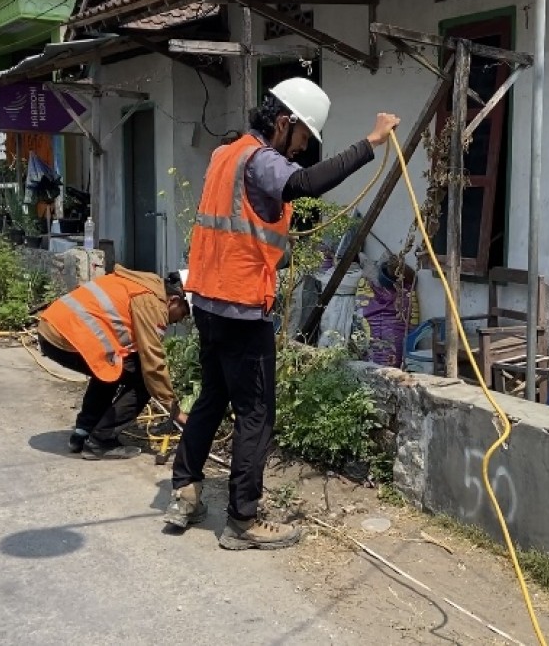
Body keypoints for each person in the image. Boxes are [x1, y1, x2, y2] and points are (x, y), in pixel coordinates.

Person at [165, 77, 400, 550]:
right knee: (256, 413)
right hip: (240, 308)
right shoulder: (260, 159)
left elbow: (244, 224)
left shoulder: (225, 154)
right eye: (303, 137)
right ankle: (243, 520)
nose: (303, 149)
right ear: (283, 122)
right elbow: (301, 184)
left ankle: (185, 492)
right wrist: (371, 142)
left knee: (212, 397)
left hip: (206, 301)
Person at [38, 267, 190, 460]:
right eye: (183, 314)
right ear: (174, 300)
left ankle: (83, 432)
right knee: (144, 379)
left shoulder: (144, 284)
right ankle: (100, 441)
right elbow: (153, 364)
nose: (177, 322)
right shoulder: (153, 305)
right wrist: (175, 411)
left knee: (113, 366)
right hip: (66, 337)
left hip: (52, 329)